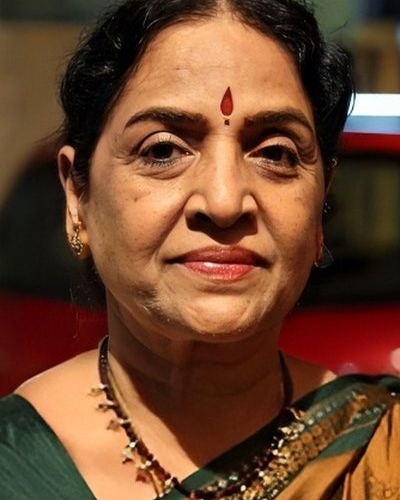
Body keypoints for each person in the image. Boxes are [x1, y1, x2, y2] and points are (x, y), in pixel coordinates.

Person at [0, 0, 399, 499]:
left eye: (276, 153)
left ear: (321, 204)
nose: (225, 202)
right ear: (78, 197)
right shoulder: (14, 465)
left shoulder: (383, 454)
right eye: (163, 150)